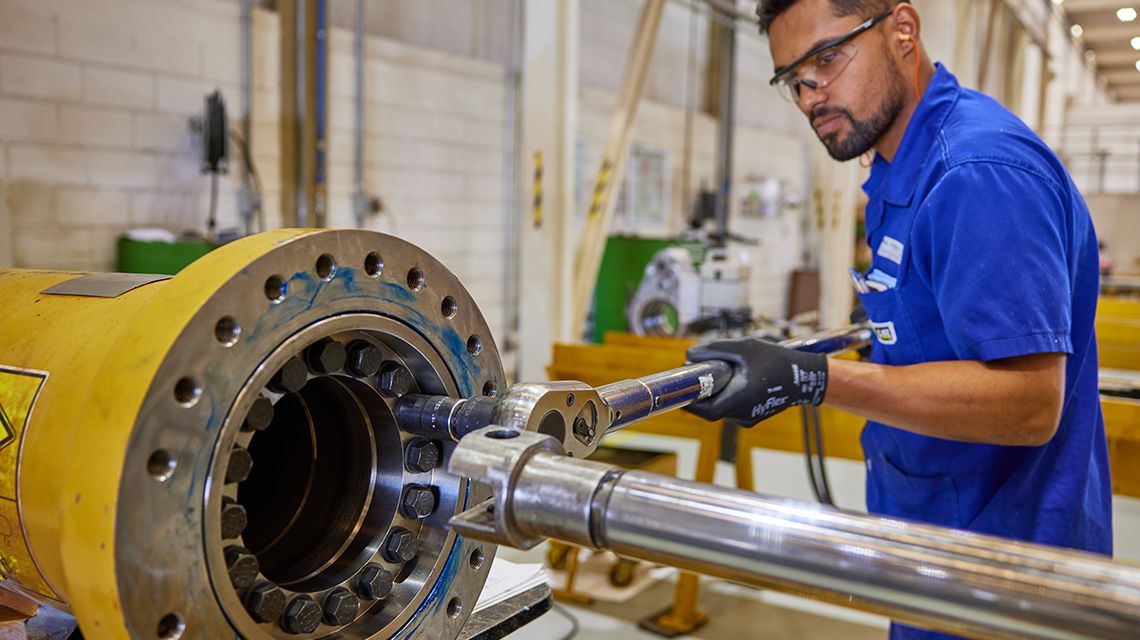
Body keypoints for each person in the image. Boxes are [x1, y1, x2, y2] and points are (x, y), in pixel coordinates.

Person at [684, 1, 1111, 638]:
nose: (809, 96)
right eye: (792, 79)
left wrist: (813, 378)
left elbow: (1029, 404)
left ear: (903, 30)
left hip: (1002, 562)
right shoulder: (895, 165)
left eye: (826, 59)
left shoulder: (975, 174)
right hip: (931, 538)